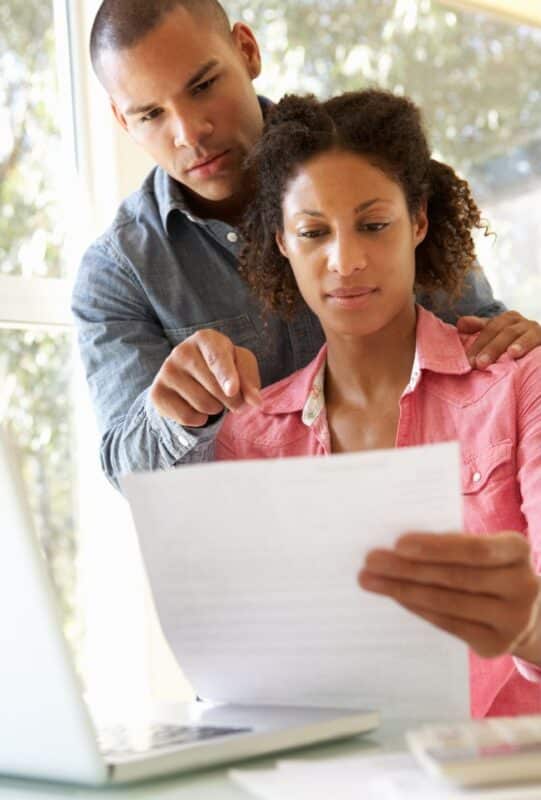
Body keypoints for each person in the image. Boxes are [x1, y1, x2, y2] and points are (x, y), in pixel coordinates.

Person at [72, 0, 541, 489]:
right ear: (122, 121)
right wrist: (169, 414)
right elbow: (133, 477)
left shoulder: (368, 159)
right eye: (150, 114)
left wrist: (521, 350)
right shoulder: (119, 274)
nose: (191, 134)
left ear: (247, 51)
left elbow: (484, 341)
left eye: (204, 85)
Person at [215, 89, 541, 718]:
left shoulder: (518, 385)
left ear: (417, 220)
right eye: (314, 232)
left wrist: (521, 621)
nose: (346, 261)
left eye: (373, 224)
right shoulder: (252, 438)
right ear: (282, 241)